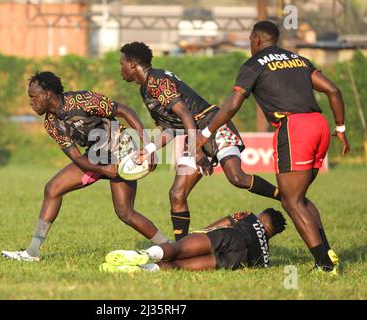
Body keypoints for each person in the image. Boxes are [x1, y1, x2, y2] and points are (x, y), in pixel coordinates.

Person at [195, 21, 349, 275]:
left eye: (249, 39)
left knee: (290, 201)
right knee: (299, 198)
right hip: (319, 125)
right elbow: (333, 90)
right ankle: (327, 252)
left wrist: (207, 132)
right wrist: (340, 128)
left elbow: (233, 104)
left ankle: (324, 265)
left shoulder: (254, 64)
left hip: (294, 127)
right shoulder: (299, 59)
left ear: (256, 39)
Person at [119, 41, 281, 242]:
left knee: (237, 177)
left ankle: (284, 197)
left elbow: (186, 115)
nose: (120, 69)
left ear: (133, 64)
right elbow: (172, 127)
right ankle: (182, 247)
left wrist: (197, 152)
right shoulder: (145, 89)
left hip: (213, 126)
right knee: (177, 194)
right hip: (194, 136)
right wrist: (150, 149)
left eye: (122, 63)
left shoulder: (156, 81)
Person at [2, 71, 169, 262]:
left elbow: (125, 111)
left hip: (120, 149)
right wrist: (102, 170)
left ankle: (169, 247)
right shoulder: (51, 124)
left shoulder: (83, 100)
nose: (31, 102)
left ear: (47, 94)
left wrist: (148, 146)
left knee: (125, 212)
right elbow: (75, 156)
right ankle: (32, 252)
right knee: (53, 188)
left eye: (34, 97)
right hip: (95, 157)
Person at [100, 208, 287, 272]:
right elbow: (251, 268)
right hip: (236, 259)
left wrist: (203, 233)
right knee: (181, 266)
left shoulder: (250, 216)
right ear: (273, 233)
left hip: (231, 237)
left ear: (263, 217)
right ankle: (143, 270)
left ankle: (144, 254)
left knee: (179, 249)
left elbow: (226, 222)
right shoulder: (265, 255)